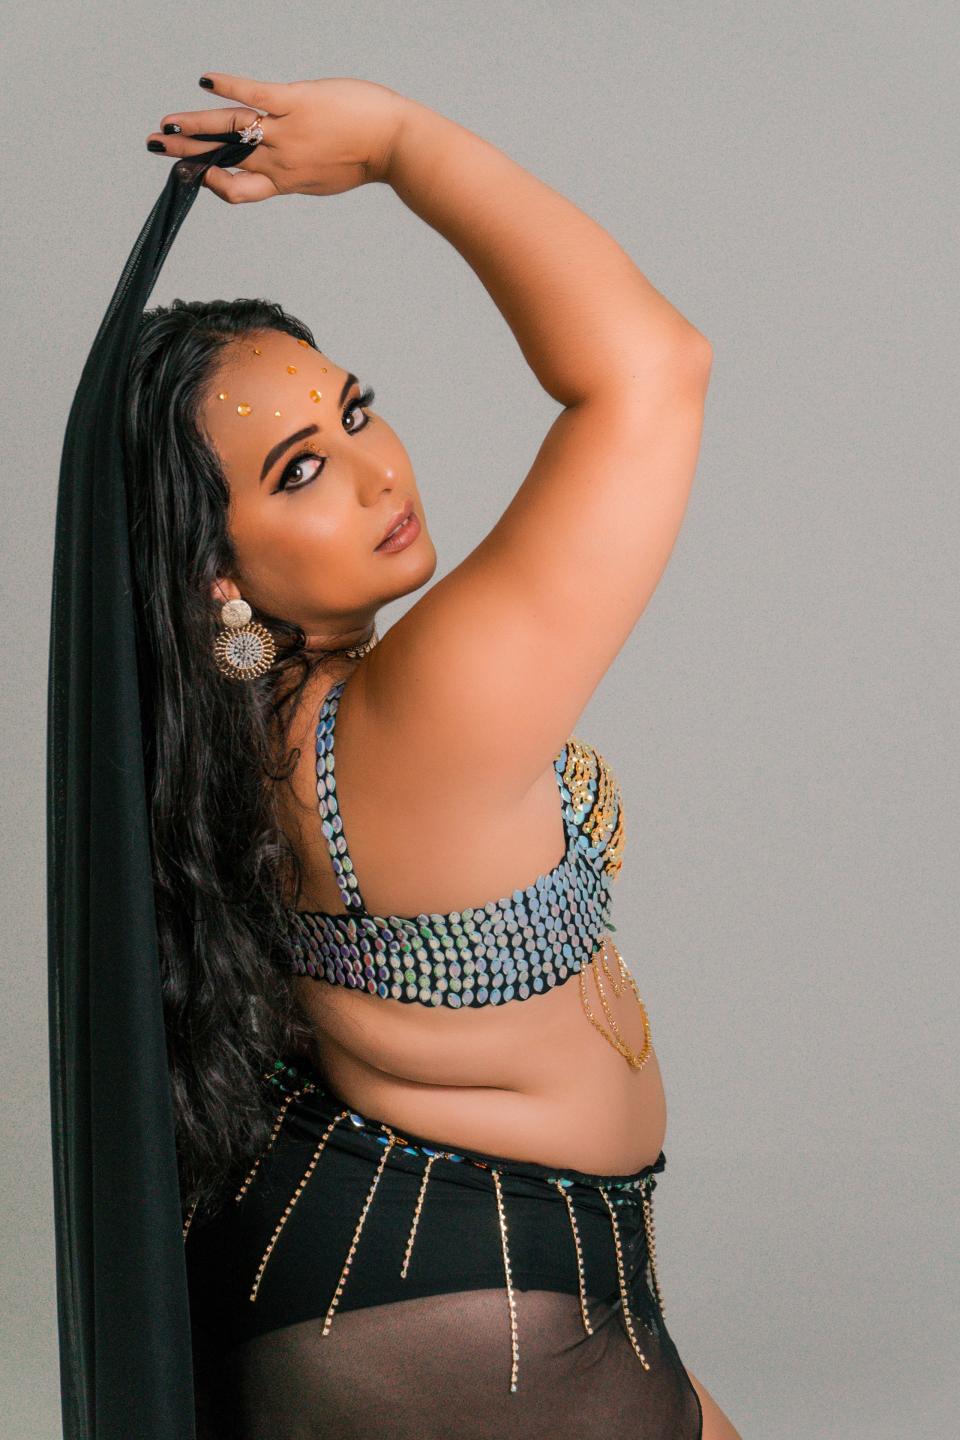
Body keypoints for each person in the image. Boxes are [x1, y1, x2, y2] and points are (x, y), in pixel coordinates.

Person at [59, 72, 735, 1438]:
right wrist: (398, 146)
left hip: (440, 1264)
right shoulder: (412, 713)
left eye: (358, 412)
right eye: (299, 470)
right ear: (211, 574)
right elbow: (650, 372)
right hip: (469, 1311)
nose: (379, 474)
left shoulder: (250, 736)